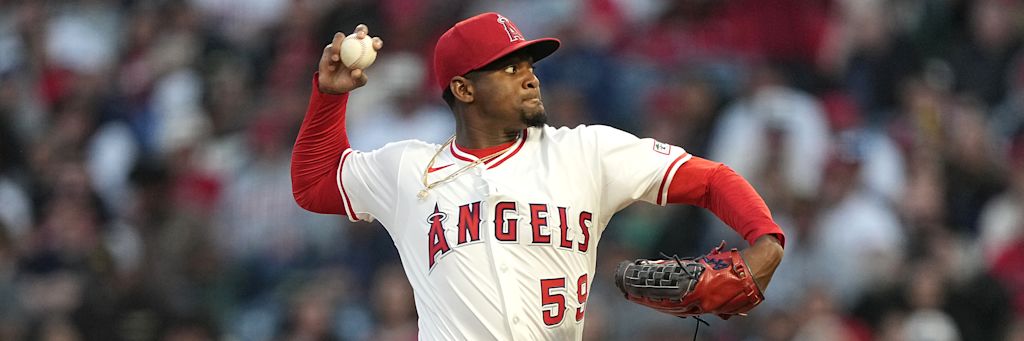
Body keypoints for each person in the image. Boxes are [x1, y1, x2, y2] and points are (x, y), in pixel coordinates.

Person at [291, 12, 785, 340]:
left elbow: (709, 179)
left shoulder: (586, 150)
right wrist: (329, 95)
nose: (530, 76)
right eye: (508, 68)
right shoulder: (408, 168)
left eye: (528, 63)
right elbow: (314, 185)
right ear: (463, 88)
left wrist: (767, 240)